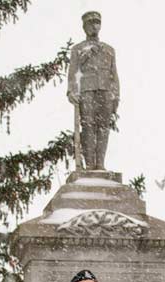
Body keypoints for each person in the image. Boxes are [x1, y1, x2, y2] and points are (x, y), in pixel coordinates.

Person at [67, 11, 120, 171]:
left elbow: (114, 74)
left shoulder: (109, 50)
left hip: (105, 91)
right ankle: (89, 164)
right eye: (90, 23)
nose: (94, 26)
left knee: (103, 127)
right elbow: (73, 73)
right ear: (84, 27)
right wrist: (72, 91)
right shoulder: (78, 49)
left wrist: (116, 95)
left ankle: (100, 164)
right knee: (88, 126)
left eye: (97, 22)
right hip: (87, 91)